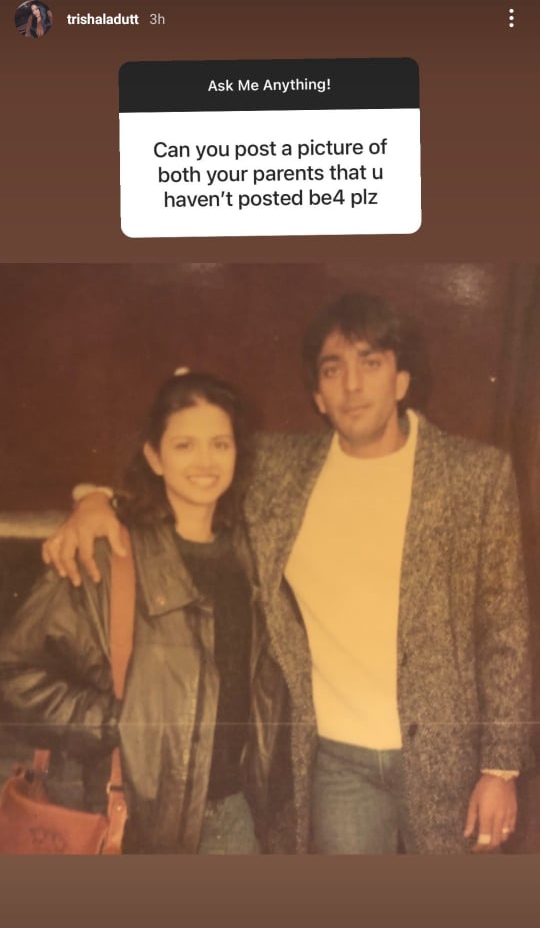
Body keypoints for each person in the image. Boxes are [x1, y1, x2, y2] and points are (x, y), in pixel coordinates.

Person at [39, 293, 532, 854]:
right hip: (334, 765)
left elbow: (505, 629)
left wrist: (501, 768)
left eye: (370, 363)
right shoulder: (279, 470)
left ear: (401, 380)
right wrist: (94, 501)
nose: (352, 386)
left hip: (452, 763)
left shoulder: (475, 476)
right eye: (333, 369)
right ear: (317, 395)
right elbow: (185, 467)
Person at [0, 370, 293, 854]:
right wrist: (113, 720)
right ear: (154, 457)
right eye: (184, 445)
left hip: (233, 818)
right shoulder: (105, 553)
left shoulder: (253, 552)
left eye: (220, 444)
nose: (205, 461)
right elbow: (13, 674)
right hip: (132, 820)